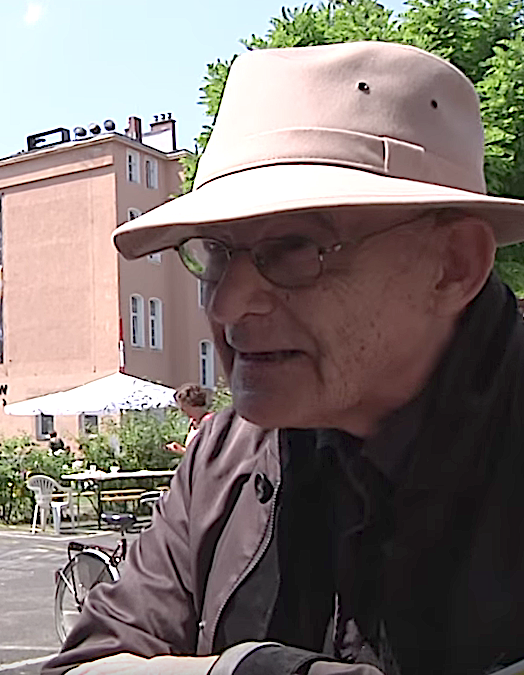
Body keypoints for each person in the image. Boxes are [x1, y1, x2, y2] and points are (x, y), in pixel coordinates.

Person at [45, 42, 524, 675]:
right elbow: (93, 658)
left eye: (297, 247)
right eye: (215, 251)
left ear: (452, 267)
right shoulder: (222, 459)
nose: (227, 304)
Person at [165, 384, 213, 455]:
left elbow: (208, 454)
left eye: (183, 407)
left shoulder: (211, 422)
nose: (182, 411)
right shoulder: (193, 423)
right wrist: (181, 450)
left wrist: (183, 451)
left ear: (192, 404)